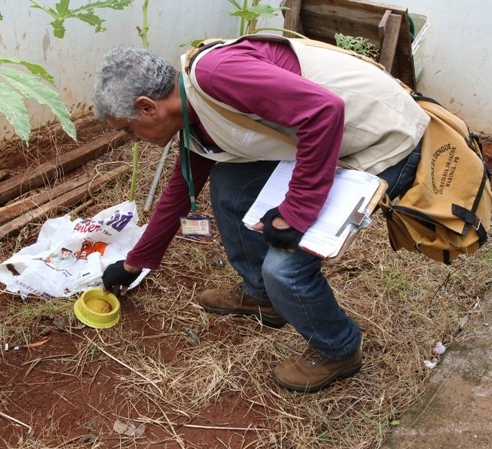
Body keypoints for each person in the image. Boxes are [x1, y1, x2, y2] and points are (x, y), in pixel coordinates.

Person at [93, 34, 430, 393]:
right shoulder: (193, 116)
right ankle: (261, 296)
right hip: (332, 138)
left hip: (383, 141)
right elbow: (180, 190)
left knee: (284, 268)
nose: (132, 138)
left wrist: (296, 212)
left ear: (147, 107)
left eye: (128, 128)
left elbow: (324, 110)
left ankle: (338, 349)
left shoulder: (215, 75)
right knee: (229, 184)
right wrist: (135, 263)